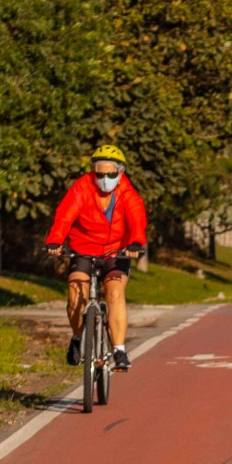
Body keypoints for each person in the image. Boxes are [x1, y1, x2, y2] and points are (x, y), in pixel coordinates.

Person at [45, 144, 147, 371]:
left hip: (116, 251)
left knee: (115, 291)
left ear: (120, 173)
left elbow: (136, 217)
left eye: (111, 174)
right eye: (99, 174)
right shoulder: (81, 189)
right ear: (93, 172)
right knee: (75, 292)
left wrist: (136, 242)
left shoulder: (127, 193)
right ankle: (78, 337)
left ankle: (119, 350)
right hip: (83, 248)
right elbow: (65, 215)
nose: (105, 179)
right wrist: (55, 240)